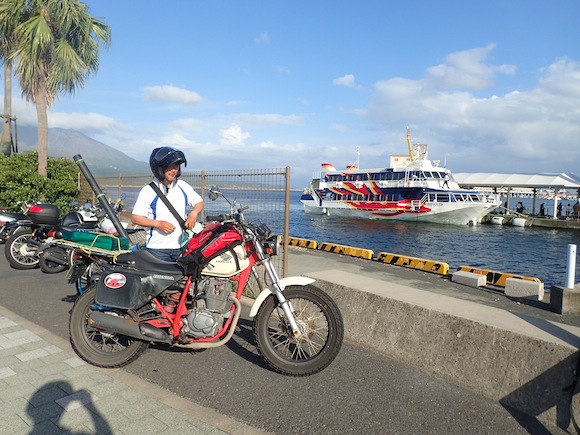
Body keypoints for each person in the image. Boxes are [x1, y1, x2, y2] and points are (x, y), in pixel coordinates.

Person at [132, 147, 204, 262]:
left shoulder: (183, 186)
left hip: (181, 246)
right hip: (157, 249)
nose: (174, 170)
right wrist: (157, 224)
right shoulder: (148, 190)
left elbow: (199, 202)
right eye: (169, 166)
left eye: (176, 166)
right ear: (159, 168)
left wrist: (194, 213)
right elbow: (135, 218)